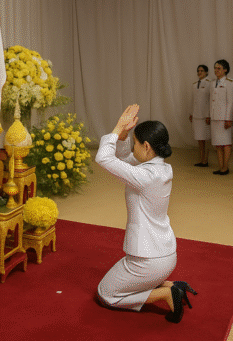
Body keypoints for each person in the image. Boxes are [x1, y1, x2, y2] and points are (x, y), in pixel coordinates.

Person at [95, 104, 196, 324]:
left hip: (147, 260)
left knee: (106, 294)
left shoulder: (145, 176)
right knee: (119, 284)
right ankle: (169, 284)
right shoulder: (161, 168)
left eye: (136, 143)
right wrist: (123, 135)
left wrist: (115, 129)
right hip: (166, 256)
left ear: (147, 146)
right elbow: (124, 159)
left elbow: (104, 159)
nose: (133, 148)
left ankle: (166, 293)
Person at [210, 60, 233, 175]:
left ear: (225, 70)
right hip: (215, 116)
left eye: (219, 68)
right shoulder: (212, 83)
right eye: (215, 68)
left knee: (226, 143)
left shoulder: (230, 83)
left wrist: (229, 118)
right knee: (218, 143)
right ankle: (221, 167)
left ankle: (225, 166)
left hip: (224, 117)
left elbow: (230, 102)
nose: (216, 70)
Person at [189, 64, 211, 167]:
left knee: (205, 139)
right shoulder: (194, 84)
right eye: (198, 71)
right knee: (199, 138)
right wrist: (191, 113)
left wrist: (208, 115)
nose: (199, 72)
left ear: (206, 72)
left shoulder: (209, 83)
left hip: (204, 115)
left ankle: (205, 160)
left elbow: (210, 101)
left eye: (202, 71)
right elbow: (193, 100)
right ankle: (201, 159)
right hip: (196, 115)